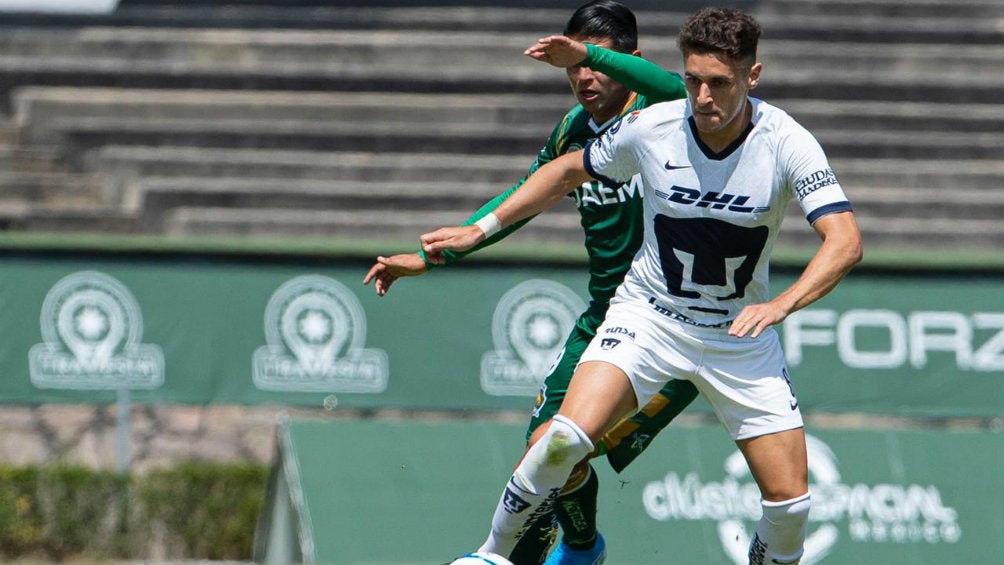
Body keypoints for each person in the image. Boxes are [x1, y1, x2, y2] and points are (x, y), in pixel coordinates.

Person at [421, 7, 863, 565]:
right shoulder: (654, 127)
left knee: (790, 505)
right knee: (561, 439)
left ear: (752, 77)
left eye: (719, 83)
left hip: (738, 338)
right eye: (693, 80)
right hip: (649, 318)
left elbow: (844, 241)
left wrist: (780, 305)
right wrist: (477, 230)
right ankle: (492, 557)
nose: (703, 97)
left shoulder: (788, 142)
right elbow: (563, 172)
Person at [363, 2, 699, 564]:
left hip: (672, 326)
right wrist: (435, 255)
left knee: (568, 451)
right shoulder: (572, 132)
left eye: (596, 63)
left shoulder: (669, 115)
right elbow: (525, 196)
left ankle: (534, 552)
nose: (584, 77)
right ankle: (583, 549)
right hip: (606, 316)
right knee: (543, 449)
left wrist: (591, 54)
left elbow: (674, 84)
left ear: (630, 62)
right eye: (572, 66)